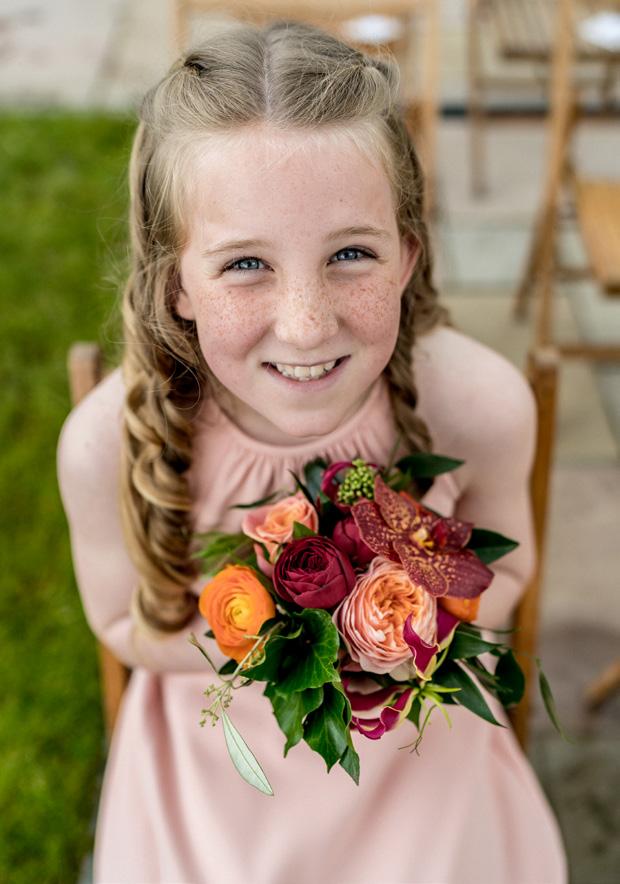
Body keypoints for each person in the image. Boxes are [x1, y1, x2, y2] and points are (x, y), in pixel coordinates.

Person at [58, 20, 567, 884]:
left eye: (351, 254)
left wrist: (391, 631)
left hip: (416, 749)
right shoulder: (105, 442)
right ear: (176, 282)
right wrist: (290, 644)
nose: (305, 324)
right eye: (245, 265)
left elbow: (509, 572)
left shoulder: (477, 407)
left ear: (407, 255)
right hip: (215, 763)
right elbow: (119, 624)